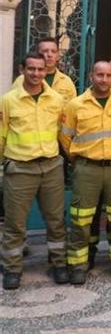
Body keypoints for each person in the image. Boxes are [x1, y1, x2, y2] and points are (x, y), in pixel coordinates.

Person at [60, 61, 111, 284]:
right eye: (99, 75)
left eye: (108, 76)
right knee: (81, 219)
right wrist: (79, 159)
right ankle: (78, 265)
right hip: (87, 168)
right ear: (91, 75)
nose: (104, 79)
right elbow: (65, 137)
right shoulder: (75, 105)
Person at [0, 53, 68, 290]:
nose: (36, 74)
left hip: (50, 166)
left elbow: (62, 132)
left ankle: (59, 264)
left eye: (40, 69)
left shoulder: (56, 99)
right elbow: (2, 134)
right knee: (15, 223)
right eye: (31, 69)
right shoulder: (8, 101)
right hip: (20, 168)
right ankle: (12, 268)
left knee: (56, 220)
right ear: (22, 70)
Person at [10, 37, 77, 103]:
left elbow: (71, 110)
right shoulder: (22, 80)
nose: (49, 55)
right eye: (45, 51)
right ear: (37, 54)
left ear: (58, 56)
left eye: (53, 51)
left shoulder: (67, 82)